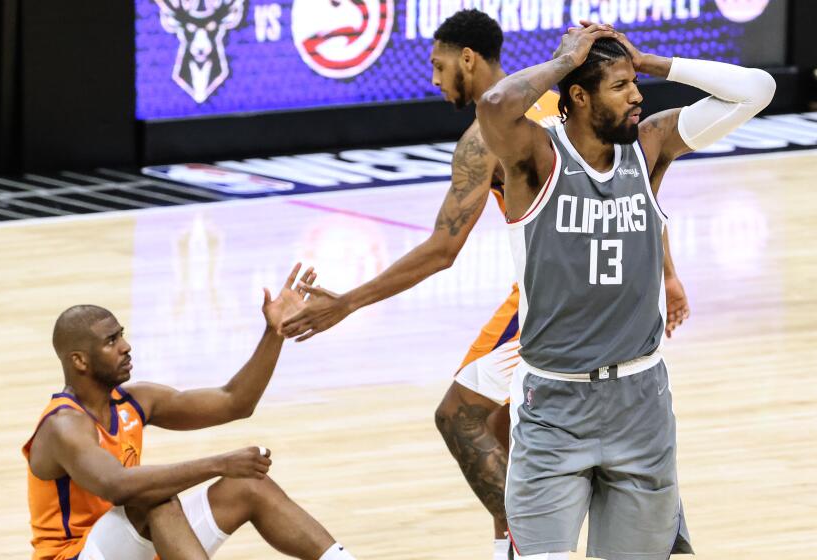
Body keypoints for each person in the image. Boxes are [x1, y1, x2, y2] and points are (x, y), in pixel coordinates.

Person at [280, 10, 690, 559]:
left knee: (460, 415)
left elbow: (443, 249)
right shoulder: (557, 104)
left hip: (555, 307)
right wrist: (664, 272)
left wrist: (349, 302)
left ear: (467, 59)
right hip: (605, 285)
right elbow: (633, 189)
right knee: (512, 419)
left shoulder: (489, 134)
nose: (434, 78)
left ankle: (519, 545)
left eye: (439, 64)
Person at [475, 21, 775, 560]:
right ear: (579, 96)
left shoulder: (651, 146)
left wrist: (648, 60)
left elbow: (757, 89)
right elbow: (495, 105)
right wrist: (566, 59)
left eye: (635, 82)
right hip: (554, 405)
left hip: (640, 402)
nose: (638, 94)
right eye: (621, 86)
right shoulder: (537, 158)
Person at [23, 264, 357, 560]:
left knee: (248, 485)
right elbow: (118, 486)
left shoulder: (135, 401)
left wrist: (275, 333)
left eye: (122, 334)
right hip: (74, 554)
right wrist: (217, 464)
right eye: (111, 341)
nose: (126, 346)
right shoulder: (63, 425)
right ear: (79, 361)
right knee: (153, 499)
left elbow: (234, 401)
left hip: (130, 545)